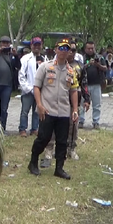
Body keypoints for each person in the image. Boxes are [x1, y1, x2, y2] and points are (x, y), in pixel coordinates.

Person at [27, 41, 79, 179]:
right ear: (56, 50)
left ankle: (59, 168)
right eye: (60, 48)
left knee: (62, 141)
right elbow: (36, 87)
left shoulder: (70, 71)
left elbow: (73, 91)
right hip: (48, 109)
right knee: (43, 138)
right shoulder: (45, 66)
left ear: (69, 52)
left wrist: (75, 109)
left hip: (63, 111)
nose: (63, 51)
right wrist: (39, 105)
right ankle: (33, 162)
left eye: (66, 49)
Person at [66, 41, 89, 160]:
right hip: (58, 101)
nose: (71, 52)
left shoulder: (79, 66)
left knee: (73, 125)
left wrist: (87, 99)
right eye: (69, 49)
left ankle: (72, 148)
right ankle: (57, 148)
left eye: (74, 50)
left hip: (74, 100)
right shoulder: (57, 64)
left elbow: (84, 84)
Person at [18, 37, 43, 137]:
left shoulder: (44, 59)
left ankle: (34, 129)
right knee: (25, 111)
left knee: (37, 111)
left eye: (38, 45)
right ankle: (22, 129)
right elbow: (21, 75)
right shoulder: (25, 59)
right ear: (31, 46)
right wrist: (28, 88)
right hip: (28, 90)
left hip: (40, 90)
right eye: (35, 45)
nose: (37, 47)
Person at [80, 41, 107, 129]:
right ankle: (81, 120)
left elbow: (105, 68)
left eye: (92, 48)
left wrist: (98, 65)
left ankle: (96, 122)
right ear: (85, 49)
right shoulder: (82, 58)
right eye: (89, 48)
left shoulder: (99, 57)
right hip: (85, 85)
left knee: (97, 104)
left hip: (96, 84)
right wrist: (87, 65)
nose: (91, 50)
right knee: (82, 104)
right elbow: (78, 69)